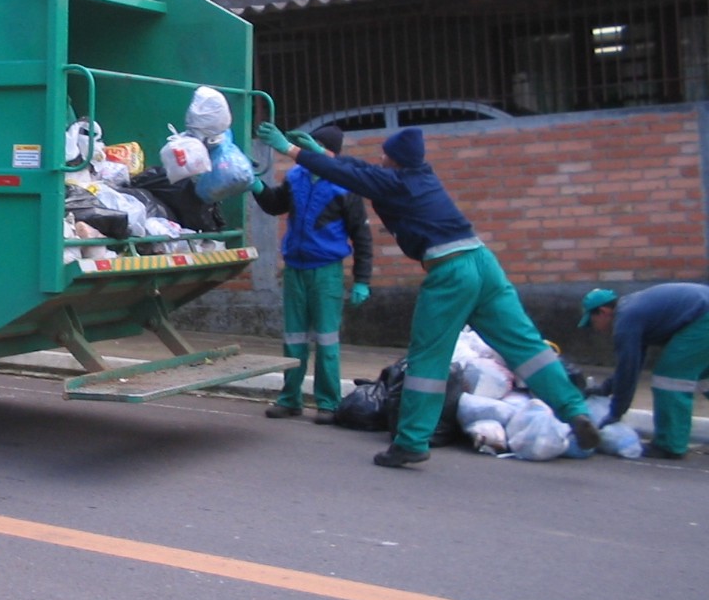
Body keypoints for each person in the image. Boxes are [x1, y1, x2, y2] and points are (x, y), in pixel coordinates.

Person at [254, 121, 601, 468]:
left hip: (450, 272)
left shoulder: (396, 185)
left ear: (398, 161)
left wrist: (291, 151)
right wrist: (317, 154)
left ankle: (411, 442)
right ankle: (574, 411)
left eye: (386, 155)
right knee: (528, 348)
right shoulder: (420, 175)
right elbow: (363, 170)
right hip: (484, 264)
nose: (381, 159)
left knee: (427, 360)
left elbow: (356, 176)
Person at [249, 124, 373, 423]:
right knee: (294, 339)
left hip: (326, 272)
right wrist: (255, 185)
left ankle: (328, 403)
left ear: (330, 152)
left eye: (315, 146)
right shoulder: (296, 178)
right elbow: (275, 205)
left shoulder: (344, 185)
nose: (307, 152)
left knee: (327, 342)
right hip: (296, 270)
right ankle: (290, 399)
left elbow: (362, 235)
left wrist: (362, 281)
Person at [578, 283, 709, 459]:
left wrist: (616, 412)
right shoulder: (632, 309)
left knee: (670, 378)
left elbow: (628, 372)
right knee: (704, 376)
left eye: (593, 322)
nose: (595, 328)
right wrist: (607, 388)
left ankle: (670, 445)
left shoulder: (625, 321)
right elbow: (633, 364)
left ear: (603, 312)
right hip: (701, 311)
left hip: (702, 318)